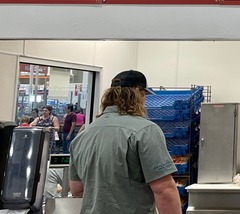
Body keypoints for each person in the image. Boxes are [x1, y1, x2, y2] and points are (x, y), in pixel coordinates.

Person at [68, 70, 180, 214]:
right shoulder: (145, 131)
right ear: (138, 94)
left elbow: (76, 189)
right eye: (144, 95)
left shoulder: (83, 136)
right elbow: (164, 191)